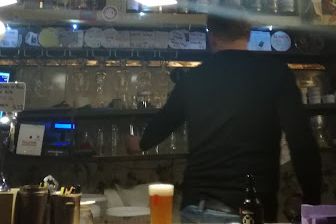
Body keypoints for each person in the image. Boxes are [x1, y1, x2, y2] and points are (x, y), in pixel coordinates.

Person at [126, 12, 322, 223]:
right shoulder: (276, 74)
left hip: (197, 208)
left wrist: (140, 143)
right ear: (248, 34)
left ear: (212, 37)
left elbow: (165, 121)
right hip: (251, 210)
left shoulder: (194, 78)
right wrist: (313, 202)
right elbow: (301, 140)